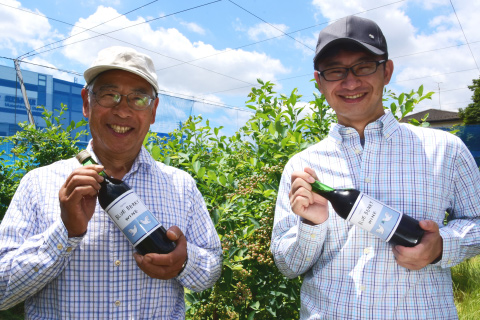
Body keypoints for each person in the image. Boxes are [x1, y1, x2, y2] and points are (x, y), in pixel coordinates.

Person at [271, 15, 480, 319]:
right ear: (319, 83)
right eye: (335, 71)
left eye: (364, 66)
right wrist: (311, 226)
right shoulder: (302, 167)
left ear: (387, 71)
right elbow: (288, 265)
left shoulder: (445, 150)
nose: (350, 81)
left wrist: (440, 247)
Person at [0, 46, 222, 319]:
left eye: (138, 99)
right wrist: (65, 233)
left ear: (153, 111)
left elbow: (212, 269)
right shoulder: (38, 183)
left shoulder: (181, 185)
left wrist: (184, 262)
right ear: (86, 102)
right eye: (109, 95)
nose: (123, 110)